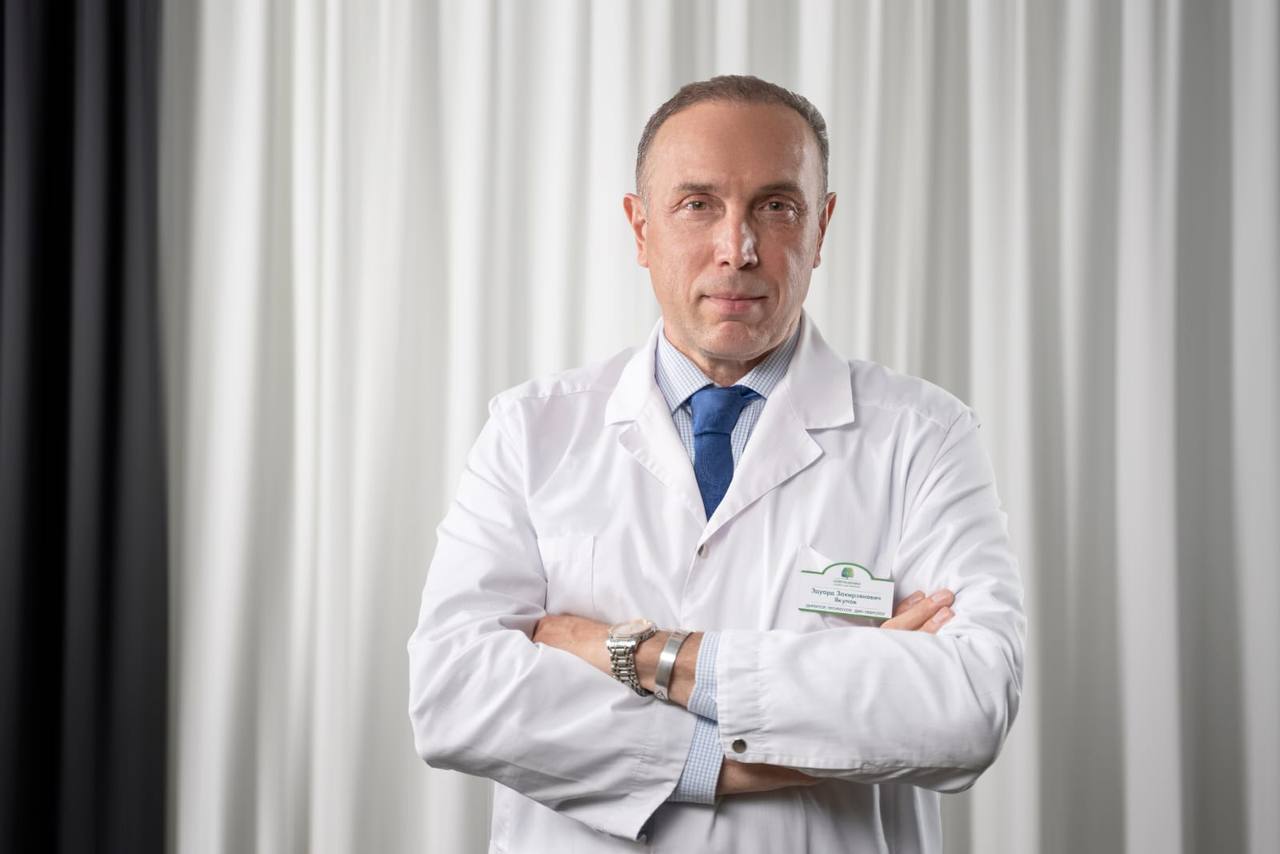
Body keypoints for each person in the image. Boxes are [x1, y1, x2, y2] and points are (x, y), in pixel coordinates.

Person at [407, 75, 1025, 853]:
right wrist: (721, 760)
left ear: (822, 227)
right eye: (698, 204)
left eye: (776, 206)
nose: (738, 248)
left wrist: (633, 654)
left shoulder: (924, 435)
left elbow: (968, 706)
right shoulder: (531, 430)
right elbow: (453, 696)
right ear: (640, 230)